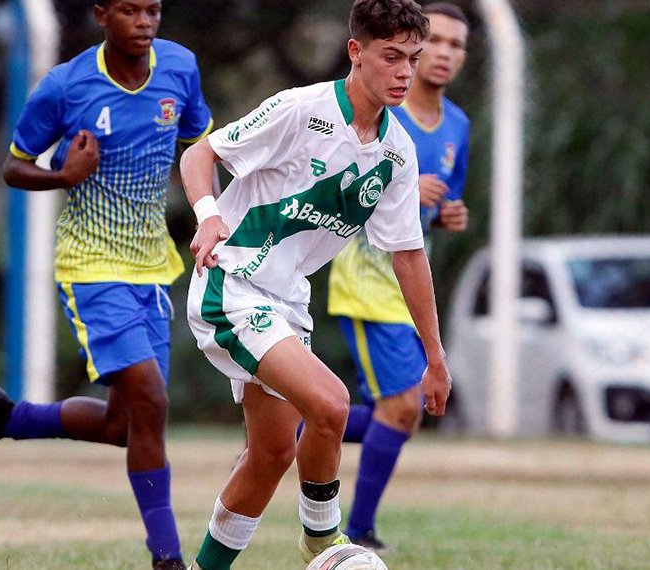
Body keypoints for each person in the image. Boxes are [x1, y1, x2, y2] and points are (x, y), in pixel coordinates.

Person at [179, 1, 451, 567]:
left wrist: (435, 355)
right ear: (356, 52)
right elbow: (200, 153)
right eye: (391, 57)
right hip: (232, 284)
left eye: (413, 59)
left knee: (272, 452)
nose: (405, 72)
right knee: (331, 403)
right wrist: (208, 214)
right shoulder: (300, 110)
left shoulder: (397, 153)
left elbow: (408, 254)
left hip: (287, 302)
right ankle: (322, 540)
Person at [0, 1, 213, 568]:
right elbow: (14, 165)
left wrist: (216, 212)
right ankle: (167, 557)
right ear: (101, 15)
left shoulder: (180, 68)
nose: (144, 22)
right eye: (129, 10)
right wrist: (63, 175)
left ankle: (10, 418)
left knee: (127, 424)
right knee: (151, 399)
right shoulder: (65, 87)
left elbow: (200, 146)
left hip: (152, 268)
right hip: (90, 267)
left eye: (154, 10)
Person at [325, 0, 470, 552]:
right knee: (405, 406)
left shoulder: (458, 124)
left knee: (397, 411)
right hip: (366, 282)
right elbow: (340, 196)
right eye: (438, 42)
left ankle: (292, 432)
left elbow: (439, 207)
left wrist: (450, 212)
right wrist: (412, 191)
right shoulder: (377, 107)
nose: (445, 54)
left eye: (457, 45)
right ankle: (357, 531)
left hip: (411, 287)